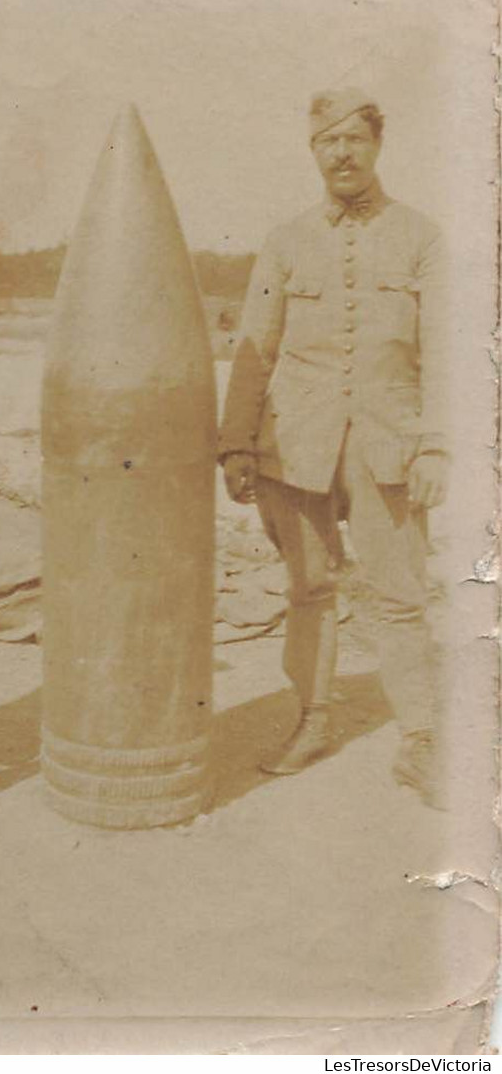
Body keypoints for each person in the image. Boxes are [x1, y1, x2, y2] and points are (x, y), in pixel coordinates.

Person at [218, 88, 448, 808]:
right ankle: (313, 721)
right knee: (309, 589)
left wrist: (437, 445)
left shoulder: (422, 238)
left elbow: (445, 349)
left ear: (378, 146)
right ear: (312, 151)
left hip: (388, 449)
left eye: (355, 139)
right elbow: (255, 351)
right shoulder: (286, 241)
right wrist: (236, 445)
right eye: (328, 142)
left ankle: (419, 743)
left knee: (402, 598)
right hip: (295, 448)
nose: (342, 153)